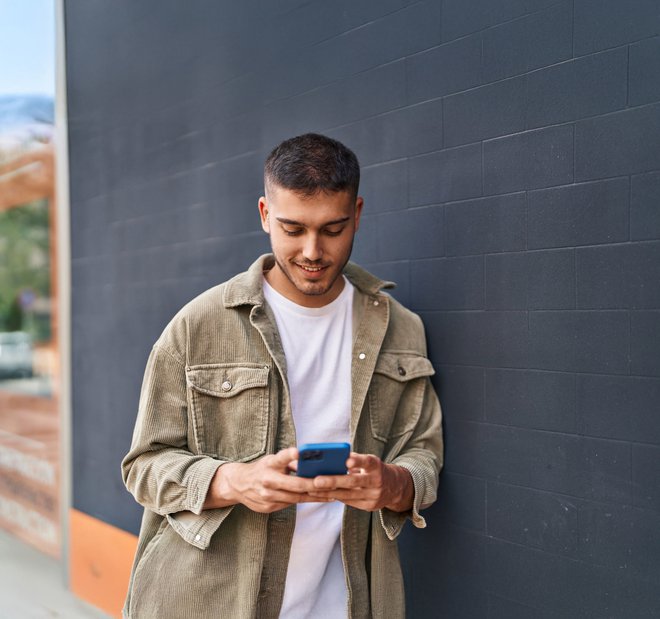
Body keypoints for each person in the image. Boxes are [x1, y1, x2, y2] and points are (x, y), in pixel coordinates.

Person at [121, 133, 443, 619]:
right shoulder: (198, 324)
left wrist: (393, 484)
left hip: (344, 603)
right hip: (207, 603)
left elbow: (424, 452)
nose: (313, 251)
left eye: (333, 229)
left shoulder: (400, 328)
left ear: (357, 213)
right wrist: (232, 481)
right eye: (293, 228)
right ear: (265, 215)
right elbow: (143, 466)